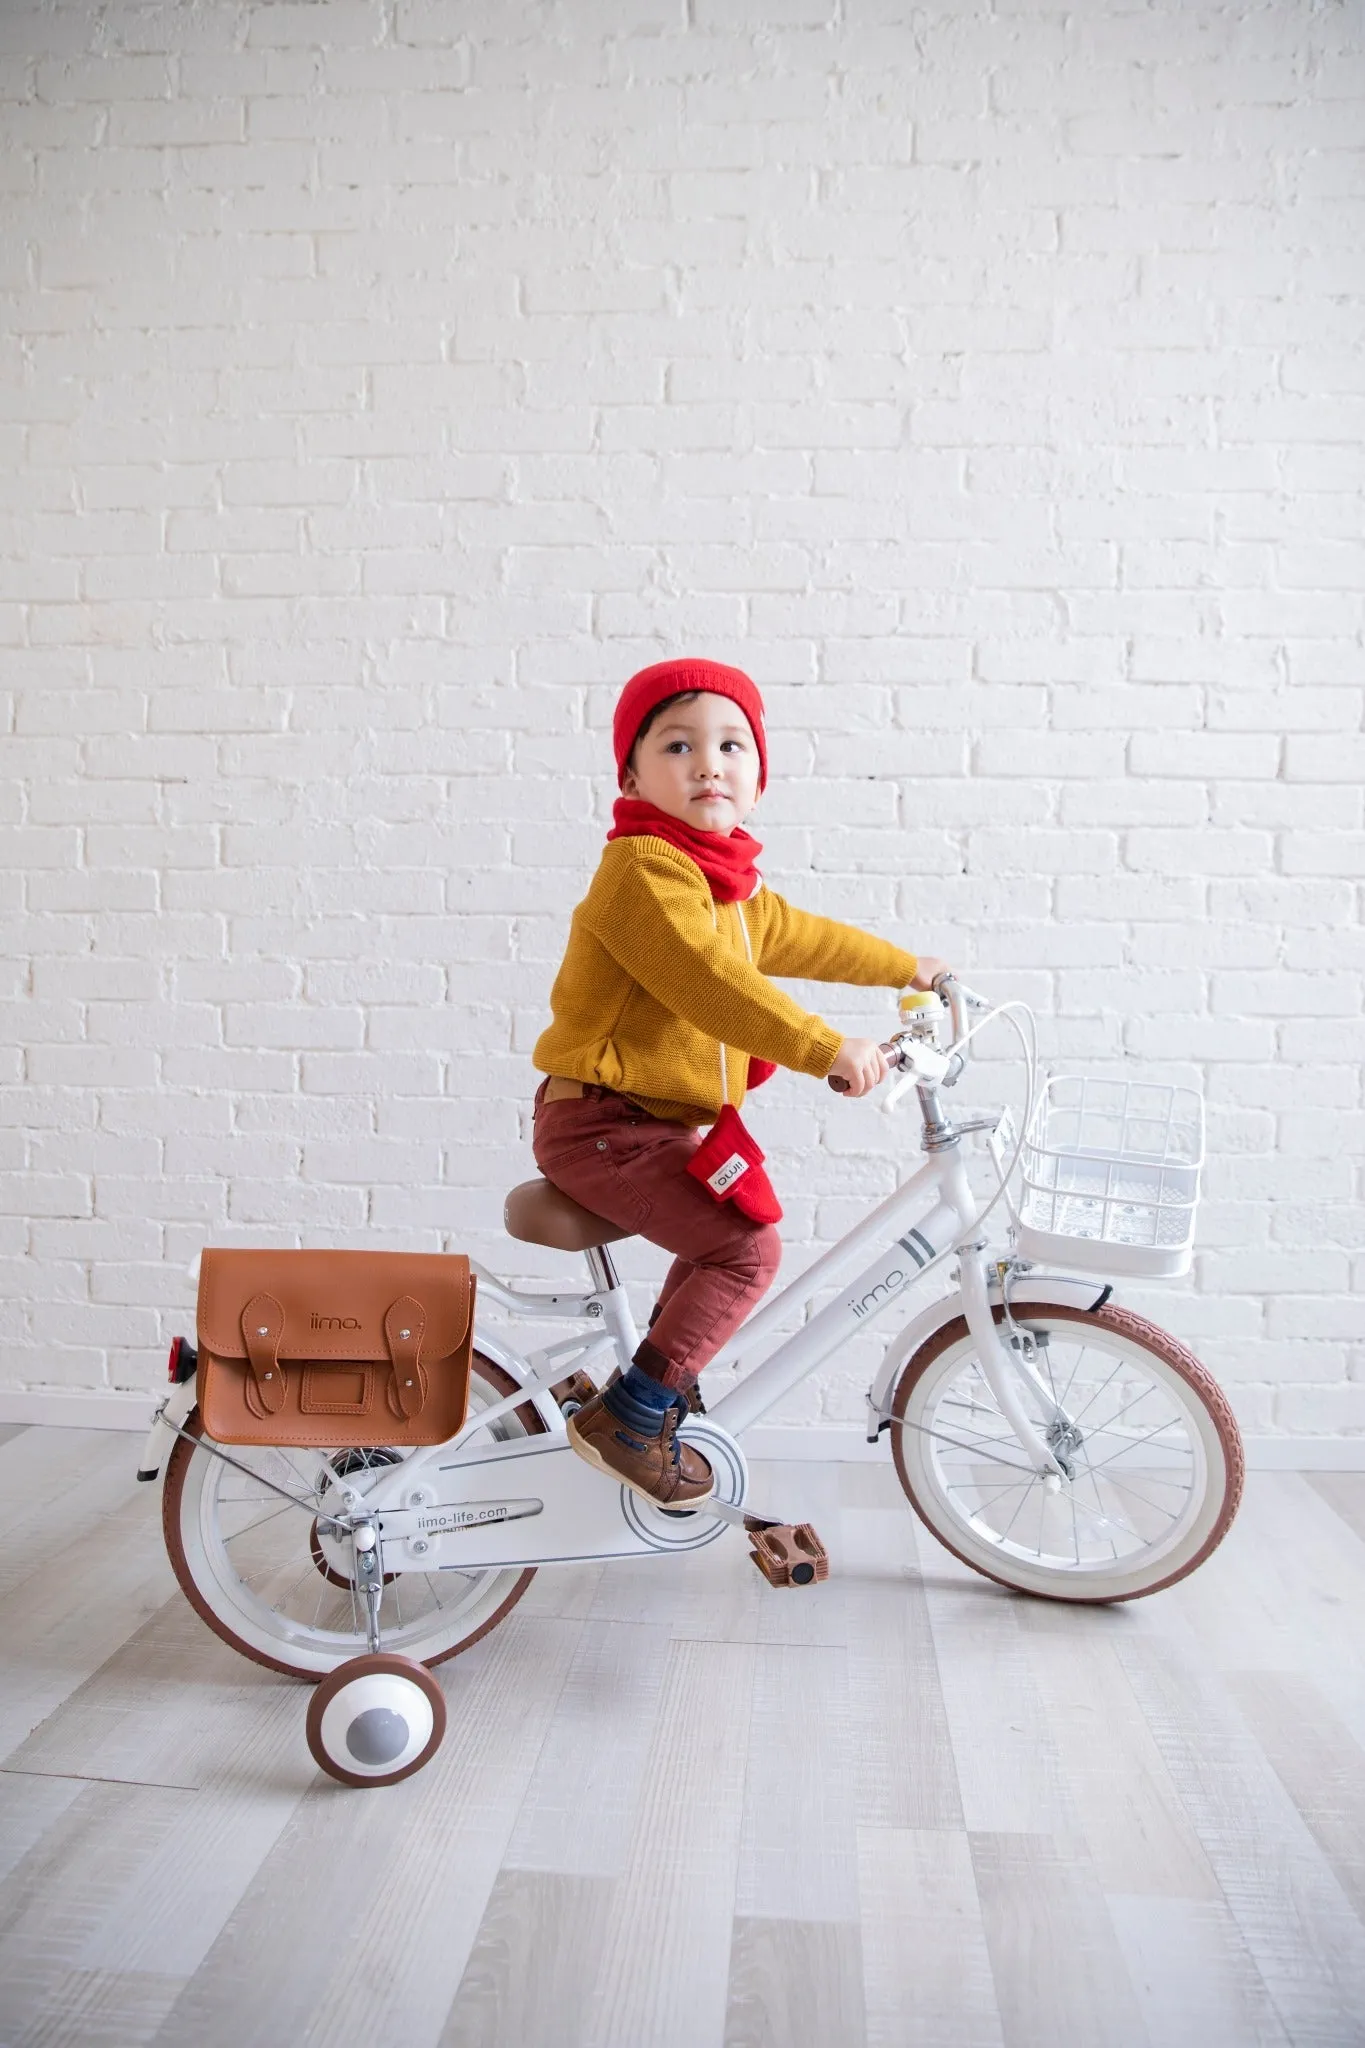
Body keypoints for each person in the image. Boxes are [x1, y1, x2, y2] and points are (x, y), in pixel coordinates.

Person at [530, 658, 954, 1508]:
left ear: (758, 777)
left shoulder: (721, 882)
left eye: (731, 746)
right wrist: (824, 1045)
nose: (708, 764)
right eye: (677, 746)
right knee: (744, 1248)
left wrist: (908, 965)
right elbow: (711, 982)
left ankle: (651, 1387)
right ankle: (634, 1414)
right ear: (631, 776)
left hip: (646, 1124)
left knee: (726, 1234)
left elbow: (801, 938)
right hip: (603, 1126)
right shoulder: (645, 871)